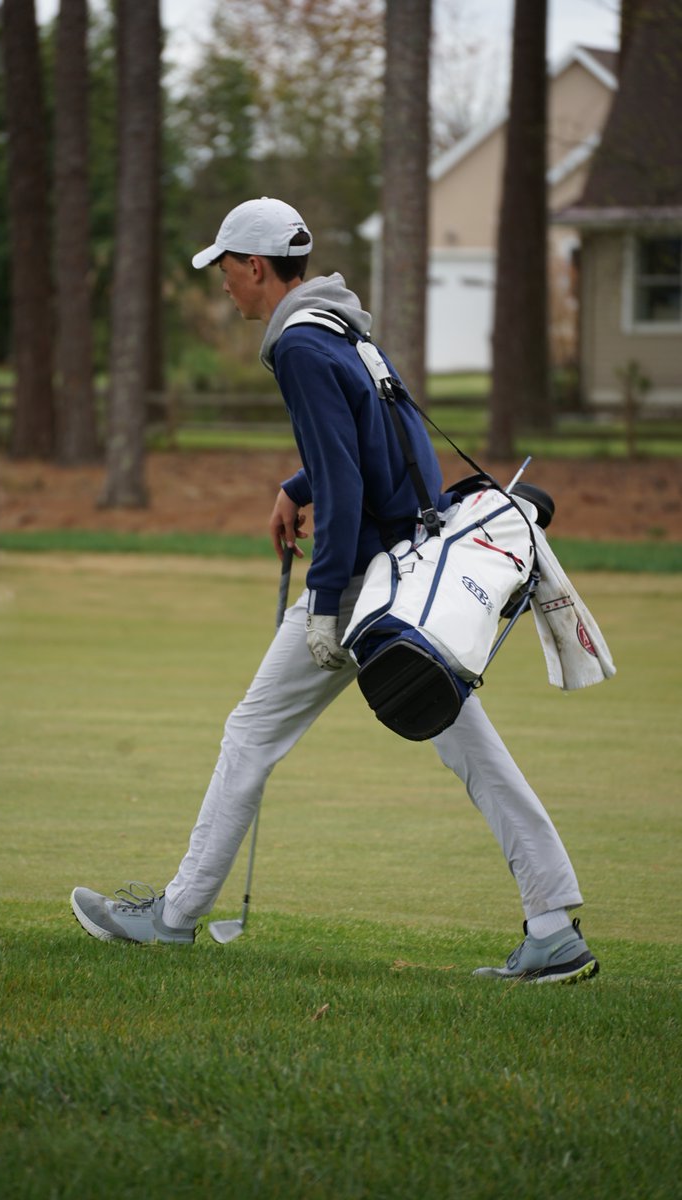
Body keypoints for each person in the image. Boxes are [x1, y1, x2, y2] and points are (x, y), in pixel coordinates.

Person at [71, 197, 599, 983]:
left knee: (250, 735)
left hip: (362, 585)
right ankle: (553, 927)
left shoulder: (298, 346)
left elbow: (348, 484)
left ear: (255, 267)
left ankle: (175, 918)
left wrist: (323, 605)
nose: (222, 284)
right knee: (476, 754)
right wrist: (296, 482)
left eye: (226, 268)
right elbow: (386, 440)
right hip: (410, 579)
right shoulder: (339, 323)